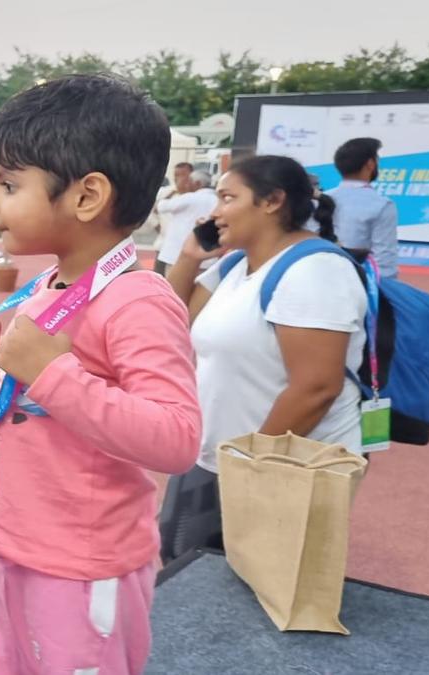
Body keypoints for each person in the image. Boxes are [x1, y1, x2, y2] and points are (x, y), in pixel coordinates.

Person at [0, 74, 201, 675]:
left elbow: (177, 436)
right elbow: (34, 377)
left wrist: (51, 371)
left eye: (8, 184)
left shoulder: (138, 298)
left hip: (86, 564)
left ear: (86, 196)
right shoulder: (48, 285)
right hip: (21, 542)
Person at [163, 154, 365, 560]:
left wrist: (249, 467)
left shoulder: (315, 271)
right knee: (181, 559)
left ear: (271, 201)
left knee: (252, 586)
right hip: (214, 449)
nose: (216, 212)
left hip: (274, 463)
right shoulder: (237, 264)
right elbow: (172, 322)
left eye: (227, 198)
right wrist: (188, 257)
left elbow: (316, 387)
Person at [326, 137, 399, 278]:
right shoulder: (382, 204)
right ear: (370, 164)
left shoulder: (323, 198)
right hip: (358, 280)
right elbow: (384, 258)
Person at [155, 170, 218, 274]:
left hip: (177, 257)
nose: (186, 185)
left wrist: (175, 191)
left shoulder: (188, 197)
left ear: (197, 183)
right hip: (208, 259)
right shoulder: (217, 200)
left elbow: (159, 207)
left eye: (189, 182)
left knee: (173, 289)